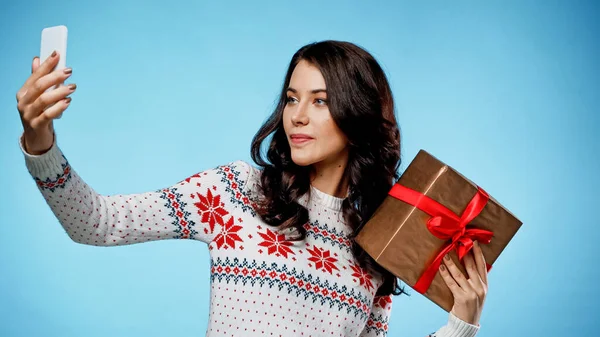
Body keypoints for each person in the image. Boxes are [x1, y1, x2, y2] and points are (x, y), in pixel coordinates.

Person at [16, 40, 489, 337]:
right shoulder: (235, 192)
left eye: (320, 101)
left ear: (358, 116)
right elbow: (97, 223)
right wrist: (40, 143)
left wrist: (461, 326)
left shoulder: (376, 245)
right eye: (291, 98)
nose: (297, 116)